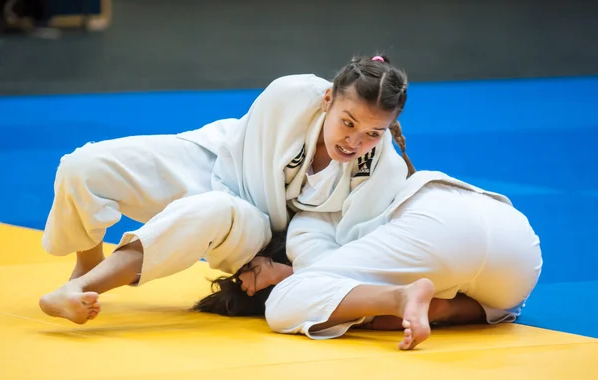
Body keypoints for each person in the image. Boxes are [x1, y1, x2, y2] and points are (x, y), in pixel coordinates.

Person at [38, 54, 415, 325]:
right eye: (347, 123)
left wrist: (280, 269)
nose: (354, 141)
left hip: (263, 233)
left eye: (372, 134)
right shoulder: (291, 93)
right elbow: (242, 157)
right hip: (219, 159)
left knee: (213, 209)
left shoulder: (381, 173)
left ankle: (83, 290)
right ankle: (85, 265)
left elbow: (343, 254)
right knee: (82, 166)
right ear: (328, 99)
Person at [198, 171, 543, 351]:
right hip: (517, 264)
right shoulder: (340, 267)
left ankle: (402, 298)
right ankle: (418, 304)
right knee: (493, 306)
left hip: (438, 221)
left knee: (283, 306)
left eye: (246, 270)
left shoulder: (306, 225)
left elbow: (307, 275)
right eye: (247, 290)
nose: (245, 281)